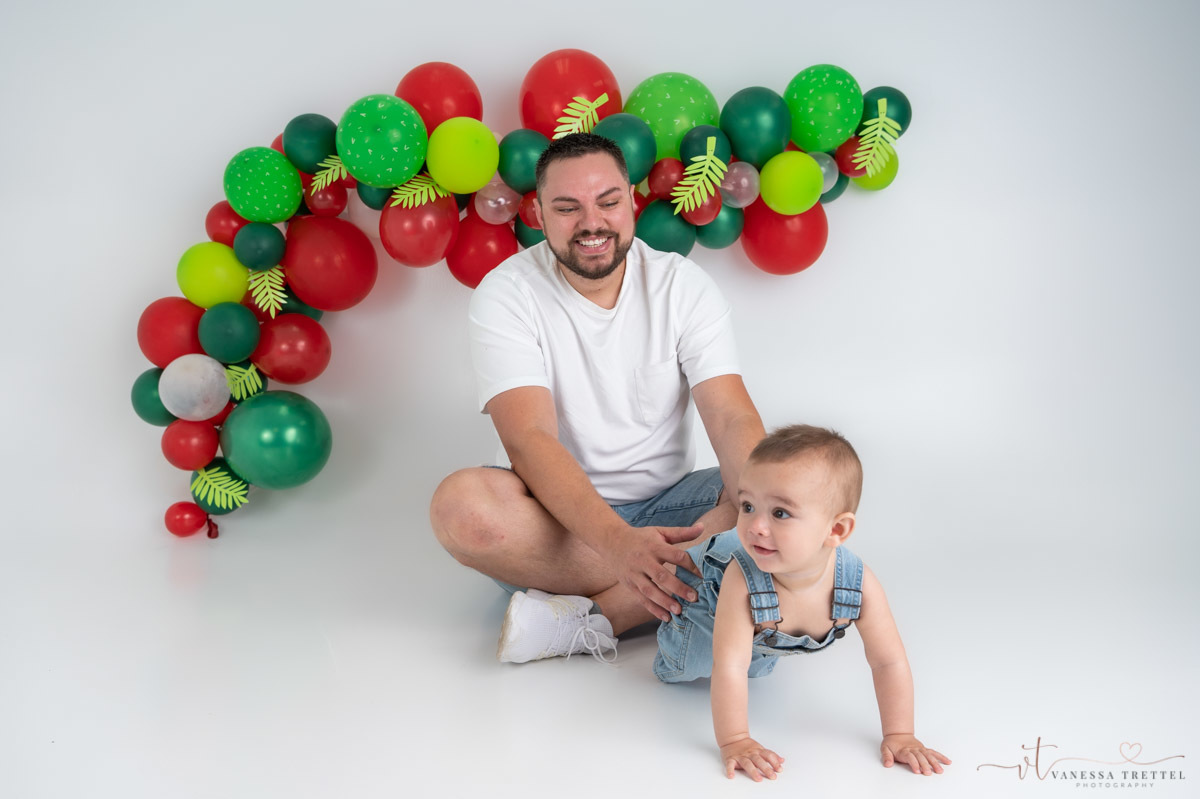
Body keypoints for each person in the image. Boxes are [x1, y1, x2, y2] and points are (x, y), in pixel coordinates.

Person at [429, 132, 765, 662]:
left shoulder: (682, 285)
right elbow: (529, 438)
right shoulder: (506, 293)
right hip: (556, 522)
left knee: (790, 479)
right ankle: (706, 575)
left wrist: (765, 508)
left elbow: (729, 416)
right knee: (461, 509)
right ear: (537, 213)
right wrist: (617, 542)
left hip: (677, 504)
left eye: (608, 202)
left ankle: (592, 619)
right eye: (568, 208)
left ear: (631, 200)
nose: (592, 223)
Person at [654, 425, 951, 781]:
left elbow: (888, 661)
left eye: (780, 513)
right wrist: (736, 740)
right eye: (747, 506)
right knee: (692, 663)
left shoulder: (857, 584)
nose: (756, 526)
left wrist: (900, 733)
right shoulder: (740, 579)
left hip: (764, 628)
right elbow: (730, 666)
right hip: (703, 594)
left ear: (836, 531)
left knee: (757, 666)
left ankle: (754, 639)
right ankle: (661, 609)